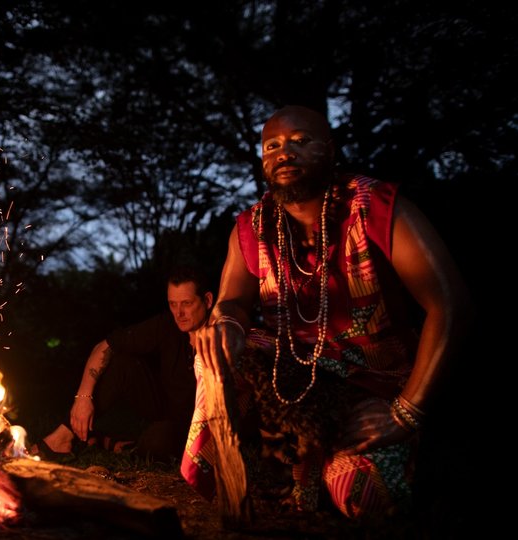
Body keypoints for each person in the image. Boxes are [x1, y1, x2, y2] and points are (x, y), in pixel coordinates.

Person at [182, 105, 470, 521]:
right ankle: (241, 472)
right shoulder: (253, 225)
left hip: (375, 389)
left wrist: (406, 413)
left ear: (330, 151)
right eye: (273, 146)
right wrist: (225, 326)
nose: (285, 153)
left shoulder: (377, 208)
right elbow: (232, 303)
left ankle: (326, 467)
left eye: (302, 142)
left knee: (362, 497)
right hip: (299, 377)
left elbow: (452, 305)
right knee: (211, 349)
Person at [34, 266, 214, 461]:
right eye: (173, 304)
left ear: (207, 300)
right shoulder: (167, 324)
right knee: (122, 362)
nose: (179, 313)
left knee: (158, 442)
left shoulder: (225, 333)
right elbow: (104, 346)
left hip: (203, 424)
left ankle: (115, 444)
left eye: (187, 303)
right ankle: (62, 437)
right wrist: (83, 398)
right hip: (166, 410)